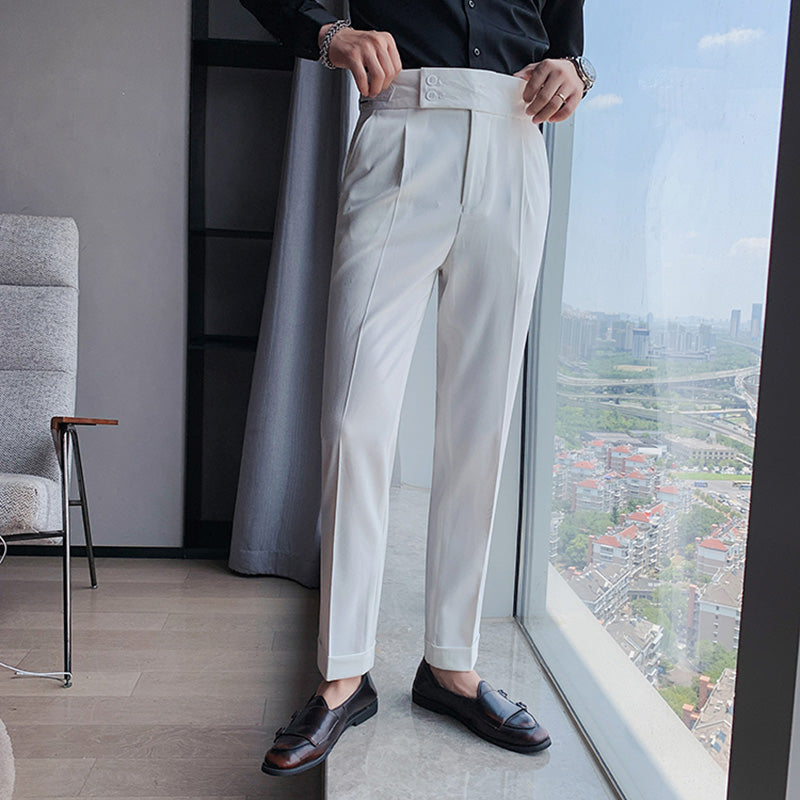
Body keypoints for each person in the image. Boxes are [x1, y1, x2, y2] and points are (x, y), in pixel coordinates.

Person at [239, 0, 593, 777]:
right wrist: (326, 34)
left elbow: (566, 31)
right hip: (404, 124)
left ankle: (451, 667)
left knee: (482, 419)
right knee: (353, 417)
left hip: (515, 137)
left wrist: (575, 71)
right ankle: (343, 676)